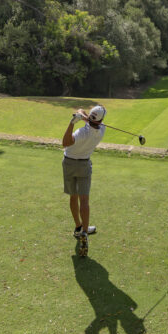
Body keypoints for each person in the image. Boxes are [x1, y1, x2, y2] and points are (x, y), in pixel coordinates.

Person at [62, 104, 106, 243]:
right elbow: (90, 119)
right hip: (84, 165)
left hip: (69, 163)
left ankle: (78, 227)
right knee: (84, 200)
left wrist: (72, 123)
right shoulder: (102, 129)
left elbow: (65, 142)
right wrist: (82, 115)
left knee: (73, 198)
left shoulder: (81, 133)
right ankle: (85, 232)